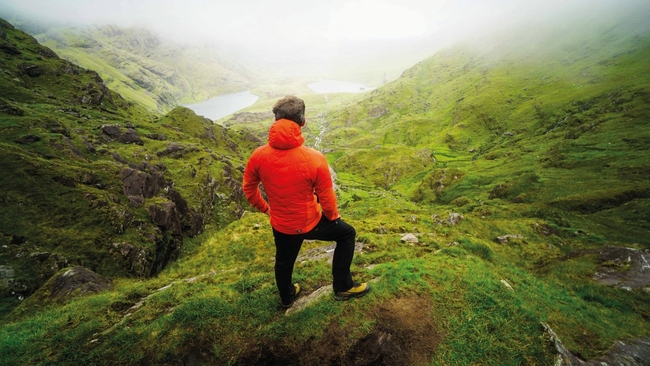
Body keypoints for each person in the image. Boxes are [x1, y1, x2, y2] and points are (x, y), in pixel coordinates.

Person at [242, 96, 370, 308]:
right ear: (303, 122)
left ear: (275, 120)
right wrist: (332, 218)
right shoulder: (314, 158)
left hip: (281, 224)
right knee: (347, 234)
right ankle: (343, 286)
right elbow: (327, 200)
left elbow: (248, 189)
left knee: (283, 261)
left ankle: (287, 297)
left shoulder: (258, 155)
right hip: (311, 222)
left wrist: (267, 210)